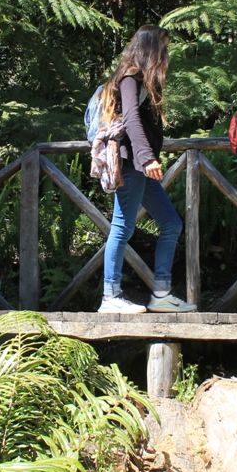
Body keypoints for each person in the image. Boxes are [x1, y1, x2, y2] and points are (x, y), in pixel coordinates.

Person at [97, 26, 196, 315]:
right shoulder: (130, 77)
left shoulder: (145, 81)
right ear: (150, 48)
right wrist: (147, 157)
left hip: (140, 165)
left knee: (171, 223)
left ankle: (162, 293)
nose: (165, 55)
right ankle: (110, 296)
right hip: (132, 162)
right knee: (122, 226)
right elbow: (131, 121)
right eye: (163, 48)